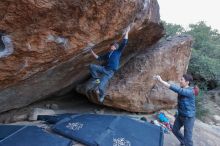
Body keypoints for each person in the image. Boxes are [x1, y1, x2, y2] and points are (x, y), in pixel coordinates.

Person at [89, 26, 130, 103]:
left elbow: (124, 42)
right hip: (104, 69)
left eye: (113, 46)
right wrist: (92, 52)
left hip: (110, 72)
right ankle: (96, 79)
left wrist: (127, 31)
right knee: (92, 66)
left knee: (101, 87)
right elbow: (99, 58)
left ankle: (102, 95)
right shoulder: (108, 54)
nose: (112, 46)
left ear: (115, 47)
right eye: (112, 45)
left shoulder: (118, 52)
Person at [154, 74, 196, 146]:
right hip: (181, 115)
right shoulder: (183, 89)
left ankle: (186, 143)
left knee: (188, 139)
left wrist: (161, 81)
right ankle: (183, 142)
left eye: (182, 80)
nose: (180, 81)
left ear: (187, 82)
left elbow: (179, 90)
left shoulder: (190, 91)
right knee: (174, 130)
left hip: (188, 117)